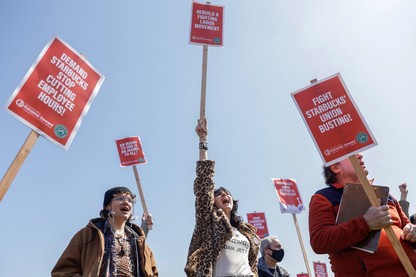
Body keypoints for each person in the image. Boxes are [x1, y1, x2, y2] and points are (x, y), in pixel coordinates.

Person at [309, 153, 416, 276]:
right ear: (335, 167)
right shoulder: (324, 198)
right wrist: (365, 223)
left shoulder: (387, 196)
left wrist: (412, 232)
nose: (360, 156)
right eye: (352, 155)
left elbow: (407, 227)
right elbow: (319, 241)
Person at [185, 118, 260, 277]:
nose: (224, 195)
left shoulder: (245, 231)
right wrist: (203, 141)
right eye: (218, 194)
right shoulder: (208, 222)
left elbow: (252, 264)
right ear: (213, 202)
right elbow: (204, 184)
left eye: (227, 193)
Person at [52, 186, 158, 277]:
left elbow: (153, 273)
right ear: (108, 206)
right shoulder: (87, 236)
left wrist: (144, 228)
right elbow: (63, 272)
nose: (126, 202)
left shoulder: (139, 243)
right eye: (120, 198)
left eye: (130, 201)